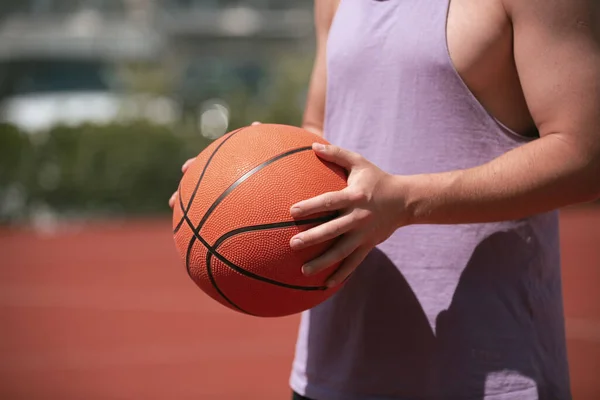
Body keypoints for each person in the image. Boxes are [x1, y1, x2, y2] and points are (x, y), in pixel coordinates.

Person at [170, 0, 600, 398]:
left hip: (490, 373)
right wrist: (244, 175)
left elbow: (586, 154)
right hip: (333, 369)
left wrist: (407, 201)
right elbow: (321, 130)